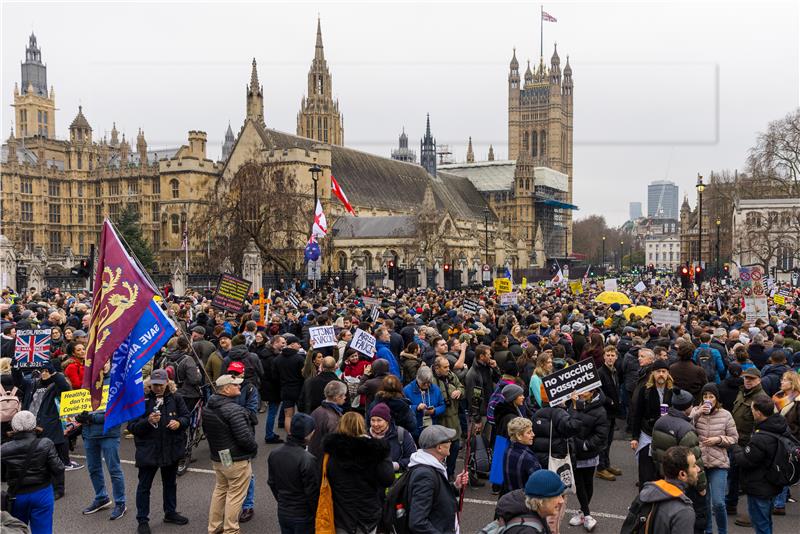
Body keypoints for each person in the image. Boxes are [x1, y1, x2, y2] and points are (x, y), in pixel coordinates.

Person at [127, 369, 190, 534]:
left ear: (168, 383)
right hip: (149, 450)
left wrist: (179, 423)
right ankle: (142, 520)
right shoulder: (140, 399)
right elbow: (132, 427)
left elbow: (186, 417)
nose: (158, 388)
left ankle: (170, 512)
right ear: (149, 384)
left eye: (162, 385)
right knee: (144, 487)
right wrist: (147, 422)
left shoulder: (176, 397)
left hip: (170, 448)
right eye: (155, 385)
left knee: (170, 483)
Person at [202, 373, 258, 534]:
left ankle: (215, 527)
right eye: (235, 385)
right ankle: (231, 530)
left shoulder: (208, 407)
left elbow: (207, 432)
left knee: (220, 490)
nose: (239, 386)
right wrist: (253, 448)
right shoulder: (234, 410)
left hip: (220, 456)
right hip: (236, 459)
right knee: (235, 495)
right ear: (226, 389)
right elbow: (245, 438)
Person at [323, 412, 395, 534]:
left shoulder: (332, 452)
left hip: (341, 513)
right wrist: (383, 453)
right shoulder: (374, 451)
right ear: (362, 426)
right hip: (368, 512)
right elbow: (388, 479)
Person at [651, 388, 708, 534]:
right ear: (688, 408)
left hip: (666, 478)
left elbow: (655, 451)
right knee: (694, 520)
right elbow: (696, 461)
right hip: (684, 483)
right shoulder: (686, 429)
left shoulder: (659, 421)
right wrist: (701, 487)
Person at [732, 395, 792, 534]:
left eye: (752, 409)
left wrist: (735, 448)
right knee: (766, 522)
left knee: (761, 525)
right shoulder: (781, 426)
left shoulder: (760, 438)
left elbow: (746, 460)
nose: (751, 412)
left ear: (758, 412)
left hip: (759, 486)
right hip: (773, 483)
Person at [76, 360, 126, 520]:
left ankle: (120, 502)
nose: (101, 364)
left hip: (108, 433)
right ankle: (101, 497)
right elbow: (78, 405)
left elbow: (116, 411)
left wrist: (90, 418)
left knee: (114, 469)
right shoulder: (87, 383)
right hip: (89, 434)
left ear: (110, 363)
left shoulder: (115, 382)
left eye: (104, 361)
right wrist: (78, 416)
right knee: (93, 468)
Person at [20, 360, 77, 499]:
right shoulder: (33, 383)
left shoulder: (55, 385)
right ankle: (44, 485)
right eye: (42, 371)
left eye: (46, 371)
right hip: (32, 425)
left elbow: (65, 387)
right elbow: (18, 381)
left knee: (55, 461)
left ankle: (59, 489)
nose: (44, 374)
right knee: (39, 459)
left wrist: (54, 373)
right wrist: (17, 368)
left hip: (50, 426)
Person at [0, 411, 64, 534]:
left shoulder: (4, 449)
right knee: (43, 531)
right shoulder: (45, 443)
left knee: (16, 530)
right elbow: (58, 468)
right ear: (34, 425)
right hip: (42, 493)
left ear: (14, 427)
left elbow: (2, 476)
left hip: (16, 495)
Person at [689, 383, 738, 534]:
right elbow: (685, 428)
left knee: (718, 503)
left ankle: (722, 531)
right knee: (705, 503)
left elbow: (734, 438)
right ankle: (708, 531)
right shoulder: (696, 412)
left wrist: (718, 439)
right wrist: (696, 414)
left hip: (719, 463)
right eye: (705, 396)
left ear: (717, 398)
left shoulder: (725, 414)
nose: (708, 399)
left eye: (711, 396)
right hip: (700, 463)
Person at [406, 424, 469, 534]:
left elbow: (436, 493)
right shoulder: (425, 476)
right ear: (439, 448)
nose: (450, 443)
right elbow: (417, 522)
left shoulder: (432, 466)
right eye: (448, 441)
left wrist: (455, 486)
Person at [627, 445, 700, 534]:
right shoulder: (683, 511)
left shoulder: (646, 493)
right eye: (694, 465)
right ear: (682, 474)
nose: (698, 469)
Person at [267, 413, 320, 534]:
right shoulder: (308, 459)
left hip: (283, 511)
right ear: (308, 434)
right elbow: (312, 492)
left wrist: (282, 501)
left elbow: (272, 483)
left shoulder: (275, 453)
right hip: (303, 515)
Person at [565, 388, 608, 532]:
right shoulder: (574, 404)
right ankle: (587, 514)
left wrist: (585, 445)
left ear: (593, 392)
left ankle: (583, 512)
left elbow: (601, 434)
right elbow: (569, 423)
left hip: (588, 453)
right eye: (580, 391)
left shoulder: (600, 410)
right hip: (574, 453)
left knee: (588, 483)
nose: (581, 393)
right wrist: (574, 406)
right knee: (579, 484)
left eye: (585, 391)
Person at [727, 367, 764, 525]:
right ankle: (730, 505)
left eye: (751, 379)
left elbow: (762, 424)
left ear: (759, 380)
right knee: (733, 475)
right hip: (736, 442)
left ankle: (752, 515)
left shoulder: (761, 398)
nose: (748, 381)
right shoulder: (742, 392)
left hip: (749, 444)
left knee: (749, 480)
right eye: (746, 378)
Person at [630, 359, 673, 488]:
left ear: (668, 374)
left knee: (661, 476)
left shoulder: (673, 391)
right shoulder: (646, 390)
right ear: (653, 374)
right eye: (658, 371)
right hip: (647, 435)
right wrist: (635, 437)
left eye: (664, 371)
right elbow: (637, 414)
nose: (661, 374)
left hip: (665, 437)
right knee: (645, 475)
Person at [491, 469, 568, 534]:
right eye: (557, 496)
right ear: (540, 501)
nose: (561, 501)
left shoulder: (534, 512)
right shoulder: (527, 531)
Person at [431, 355, 464, 477]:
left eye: (448, 366)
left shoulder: (451, 376)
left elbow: (461, 387)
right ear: (437, 368)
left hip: (454, 421)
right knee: (438, 451)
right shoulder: (431, 380)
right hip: (440, 422)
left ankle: (450, 474)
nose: (448, 369)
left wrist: (459, 391)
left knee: (454, 450)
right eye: (445, 367)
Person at [772, 371, 800, 514]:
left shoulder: (798, 401)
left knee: (785, 469)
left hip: (792, 440)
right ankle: (779, 502)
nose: (781, 382)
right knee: (783, 469)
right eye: (782, 379)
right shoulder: (777, 397)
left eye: (784, 380)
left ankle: (779, 504)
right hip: (776, 439)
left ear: (792, 383)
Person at [596, 345, 622, 481]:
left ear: (616, 357)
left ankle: (606, 464)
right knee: (603, 441)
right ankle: (600, 468)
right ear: (604, 356)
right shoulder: (600, 372)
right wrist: (610, 401)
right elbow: (598, 392)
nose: (610, 357)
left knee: (609, 440)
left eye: (613, 355)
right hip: (604, 412)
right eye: (608, 355)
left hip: (612, 412)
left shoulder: (614, 371)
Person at [368, 402, 416, 473]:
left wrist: (396, 465)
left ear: (387, 421)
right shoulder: (365, 436)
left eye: (379, 420)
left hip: (396, 480)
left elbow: (413, 457)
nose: (375, 424)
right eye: (373, 420)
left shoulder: (401, 433)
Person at [274, 334, 306, 432]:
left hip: (285, 389)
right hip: (299, 389)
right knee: (303, 414)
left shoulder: (277, 359)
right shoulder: (299, 359)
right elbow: (303, 375)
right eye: (298, 344)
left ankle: (290, 436)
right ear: (292, 345)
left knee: (288, 416)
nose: (300, 346)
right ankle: (302, 434)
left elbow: (275, 376)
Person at [501, 416, 541, 496]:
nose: (533, 434)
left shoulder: (506, 451)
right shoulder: (528, 458)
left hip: (509, 498)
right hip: (525, 502)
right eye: (529, 432)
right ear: (519, 436)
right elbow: (539, 484)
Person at [308, 380, 347, 459]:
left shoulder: (317, 410)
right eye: (344, 395)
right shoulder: (333, 418)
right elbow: (336, 444)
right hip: (324, 460)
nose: (345, 398)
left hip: (313, 453)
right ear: (337, 397)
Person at [404, 366, 445, 433]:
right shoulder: (407, 390)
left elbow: (442, 405)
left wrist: (434, 411)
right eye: (423, 383)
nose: (426, 385)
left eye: (429, 382)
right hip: (415, 430)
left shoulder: (435, 389)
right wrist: (416, 408)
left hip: (433, 429)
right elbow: (404, 409)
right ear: (417, 379)